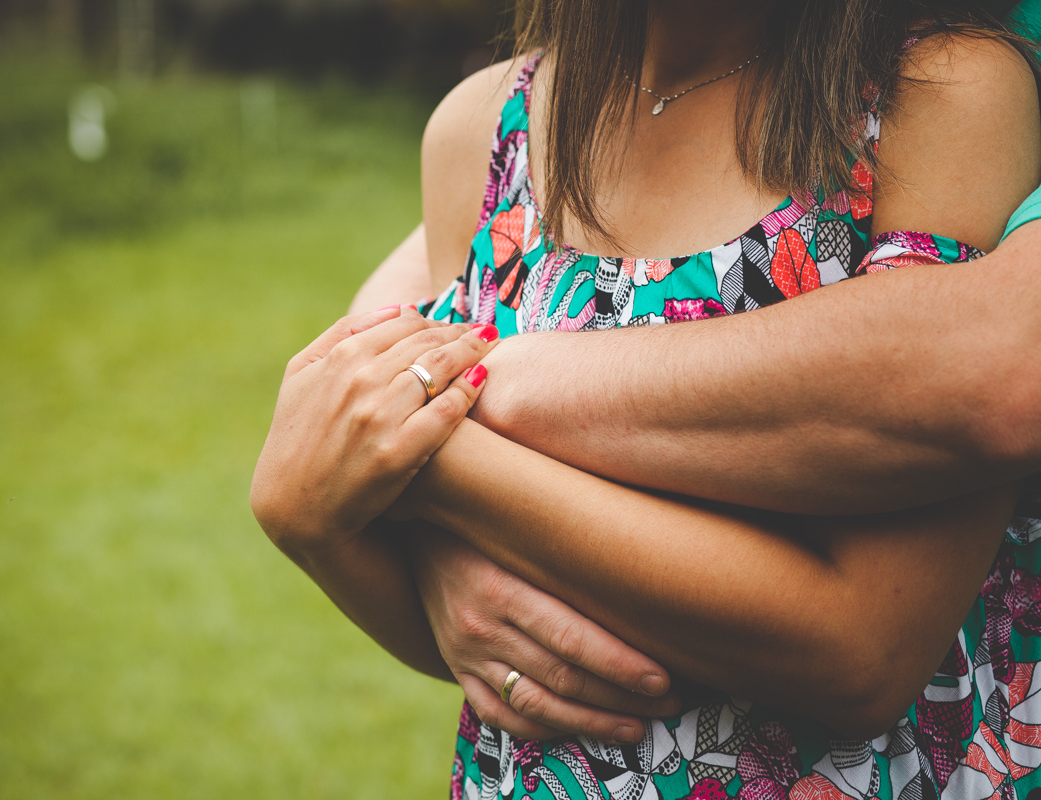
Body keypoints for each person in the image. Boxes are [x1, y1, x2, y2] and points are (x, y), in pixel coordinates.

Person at [250, 2, 1041, 799]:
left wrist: (433, 462)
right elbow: (486, 642)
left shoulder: (935, 93)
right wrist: (326, 529)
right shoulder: (482, 129)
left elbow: (863, 656)